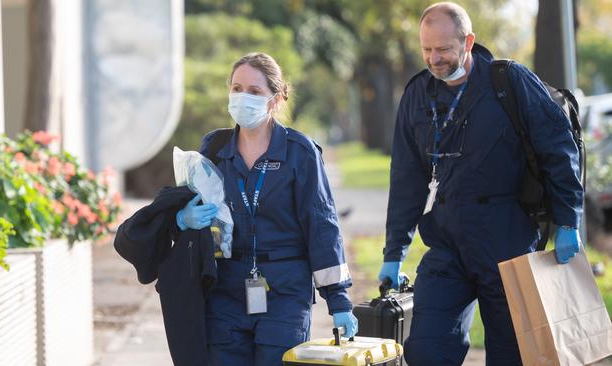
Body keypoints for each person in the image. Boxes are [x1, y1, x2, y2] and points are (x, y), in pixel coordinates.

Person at [377, 2, 583, 365]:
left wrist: (569, 220)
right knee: (426, 349)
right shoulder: (417, 94)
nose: (433, 58)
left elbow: (558, 147)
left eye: (443, 49)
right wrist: (394, 251)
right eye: (426, 49)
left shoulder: (508, 81)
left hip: (508, 239)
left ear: (468, 41)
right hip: (447, 240)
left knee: (510, 355)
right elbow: (406, 178)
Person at [175, 52, 358, 366]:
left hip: (285, 294)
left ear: (275, 99)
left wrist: (339, 301)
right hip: (224, 292)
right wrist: (182, 219)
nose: (242, 97)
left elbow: (322, 227)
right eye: (236, 88)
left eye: (255, 92)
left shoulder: (300, 153)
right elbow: (185, 202)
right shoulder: (215, 149)